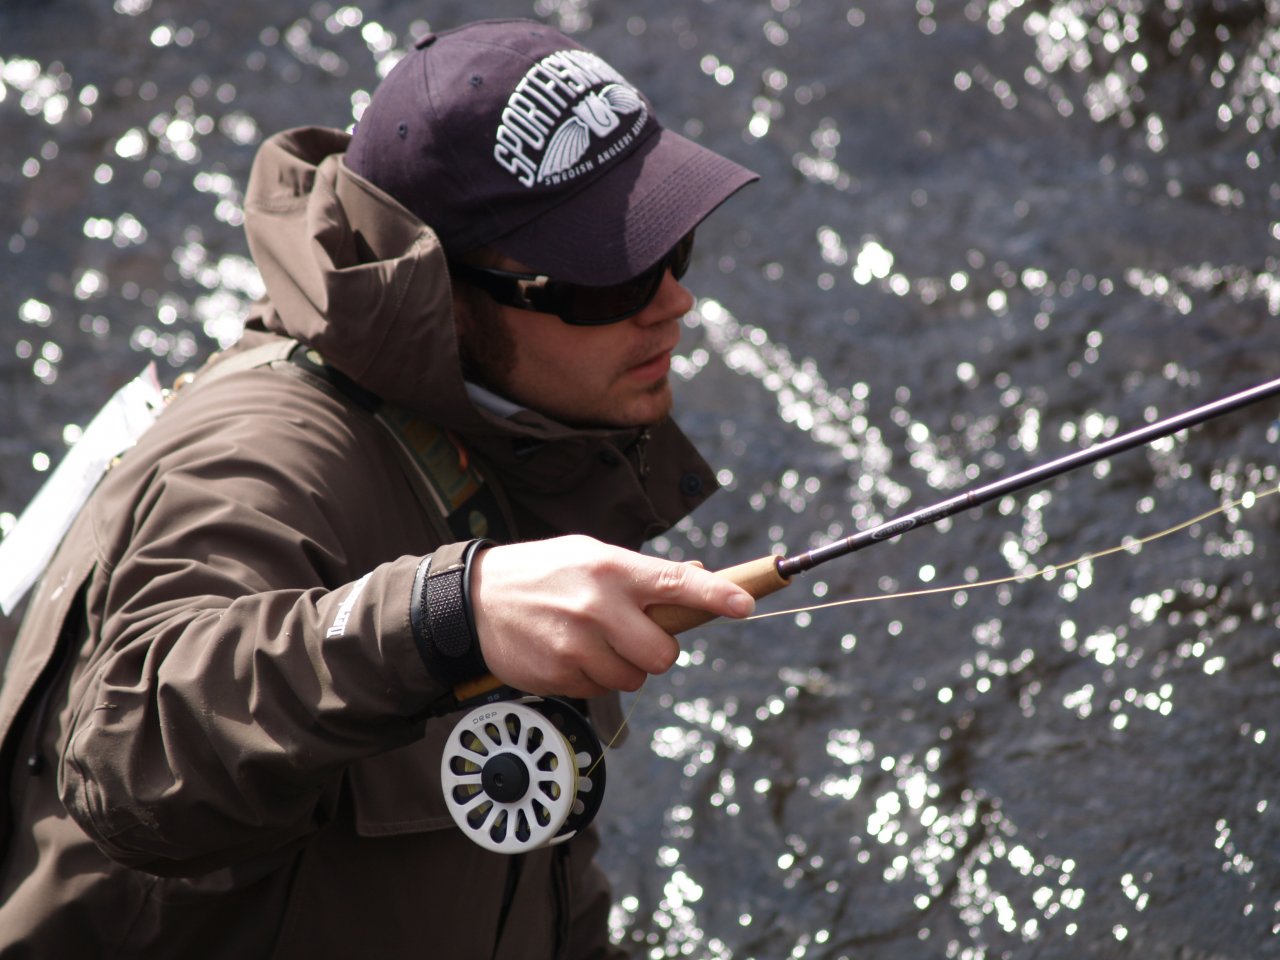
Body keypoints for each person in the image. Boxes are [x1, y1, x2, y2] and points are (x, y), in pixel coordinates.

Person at [0, 17, 760, 960]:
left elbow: (540, 870)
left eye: (670, 245)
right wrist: (450, 615)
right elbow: (130, 755)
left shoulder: (525, 427)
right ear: (444, 291)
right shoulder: (256, 459)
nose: (672, 302)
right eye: (607, 281)